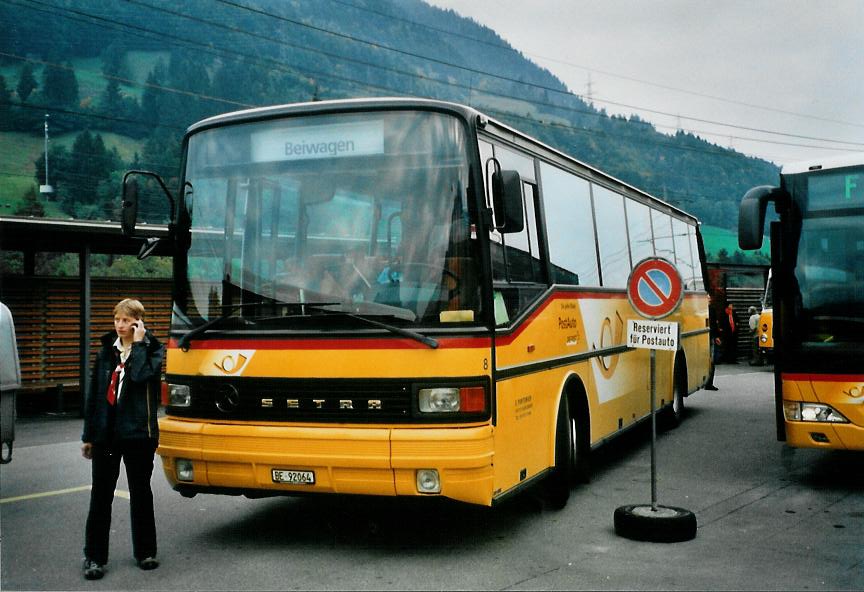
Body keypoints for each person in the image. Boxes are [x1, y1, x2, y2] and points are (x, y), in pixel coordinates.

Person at [81, 298, 164, 580]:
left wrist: (139, 344)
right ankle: (94, 557)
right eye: (117, 319)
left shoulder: (153, 349)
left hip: (138, 434)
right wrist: (89, 436)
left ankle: (146, 552)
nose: (120, 325)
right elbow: (95, 394)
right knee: (101, 495)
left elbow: (141, 376)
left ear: (139, 322)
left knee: (141, 493)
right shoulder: (106, 351)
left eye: (127, 320)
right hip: (107, 435)